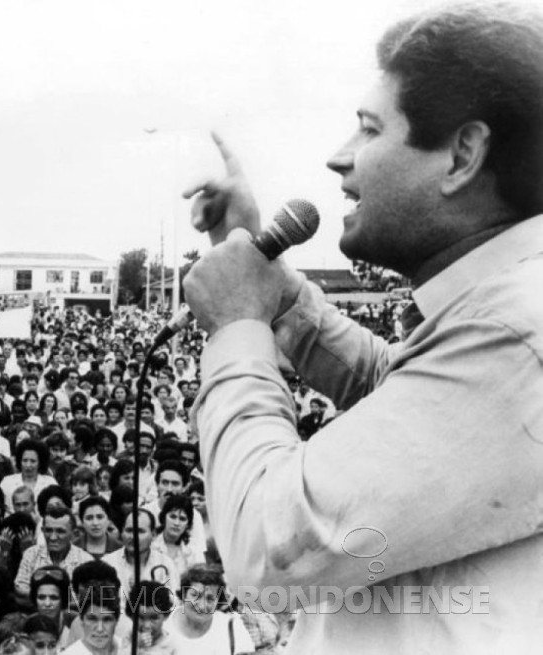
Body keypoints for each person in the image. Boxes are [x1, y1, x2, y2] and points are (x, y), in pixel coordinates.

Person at [181, 3, 543, 652]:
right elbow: (406, 399)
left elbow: (270, 547)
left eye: (369, 131)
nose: (338, 159)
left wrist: (238, 327)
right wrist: (272, 286)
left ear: (462, 154)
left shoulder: (520, 330)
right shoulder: (507, 310)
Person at [165, 565, 254, 655]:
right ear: (184, 594)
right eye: (195, 595)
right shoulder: (163, 627)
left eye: (210, 599)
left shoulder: (232, 627)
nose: (202, 606)